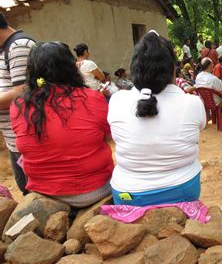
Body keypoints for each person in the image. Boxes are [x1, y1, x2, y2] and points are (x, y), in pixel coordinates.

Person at [108, 31, 206, 206]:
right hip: (181, 189)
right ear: (173, 69)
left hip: (127, 194)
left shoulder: (116, 101)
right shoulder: (192, 103)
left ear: (134, 68)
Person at [10, 42, 114, 206]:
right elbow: (108, 137)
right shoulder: (92, 98)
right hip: (94, 190)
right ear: (71, 67)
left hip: (43, 192)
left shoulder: (19, 105)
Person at [0, 13, 36, 194]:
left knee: (36, 193)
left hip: (26, 137)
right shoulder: (4, 49)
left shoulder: (18, 46)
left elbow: (21, 92)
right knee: (25, 189)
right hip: (13, 138)